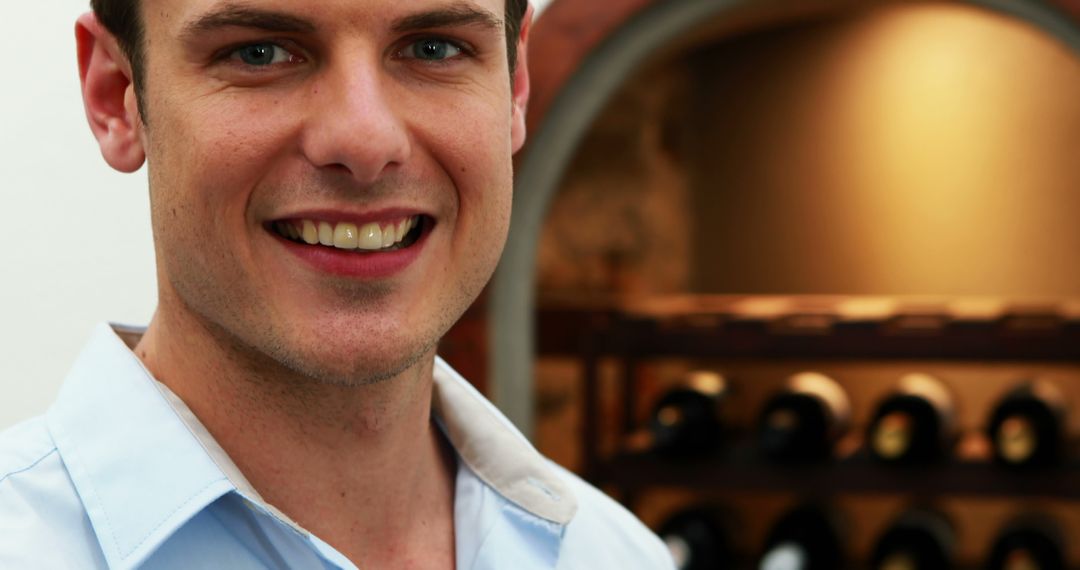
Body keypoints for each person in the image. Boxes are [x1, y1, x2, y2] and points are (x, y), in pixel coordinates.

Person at [0, 0, 675, 568]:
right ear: (116, 96)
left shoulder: (615, 555)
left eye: (434, 48)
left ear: (514, 85)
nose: (365, 139)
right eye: (260, 52)